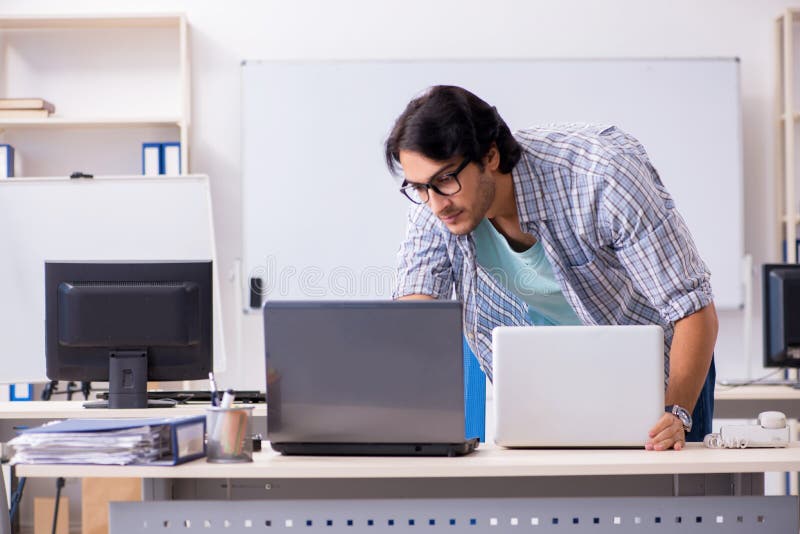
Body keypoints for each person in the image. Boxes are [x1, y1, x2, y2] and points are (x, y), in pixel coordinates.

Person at [384, 85, 718, 451]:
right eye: (419, 187)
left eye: (445, 180)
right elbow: (417, 316)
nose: (435, 205)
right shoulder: (435, 202)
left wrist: (675, 412)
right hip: (546, 390)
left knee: (671, 482)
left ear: (490, 156)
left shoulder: (602, 177)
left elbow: (693, 310)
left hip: (660, 379)